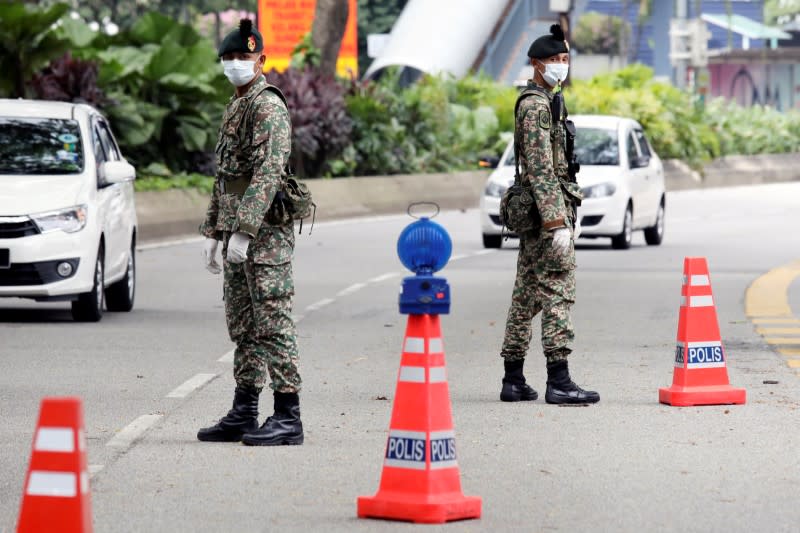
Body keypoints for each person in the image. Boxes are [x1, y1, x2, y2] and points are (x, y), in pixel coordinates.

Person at [197, 19, 304, 445]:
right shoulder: (236, 105)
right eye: (230, 58)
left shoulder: (267, 105)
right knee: (242, 325)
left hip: (266, 236)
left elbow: (267, 173)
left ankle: (288, 416)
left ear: (262, 60)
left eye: (244, 57)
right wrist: (213, 230)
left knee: (273, 322)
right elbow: (225, 177)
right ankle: (245, 411)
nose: (236, 64)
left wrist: (243, 231)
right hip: (235, 231)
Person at [499, 24, 599, 405]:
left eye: (565, 59)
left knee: (526, 295)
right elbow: (540, 169)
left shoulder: (548, 100)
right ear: (536, 64)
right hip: (546, 216)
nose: (562, 65)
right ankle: (559, 380)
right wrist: (557, 223)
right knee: (558, 291)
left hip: (543, 211)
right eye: (555, 60)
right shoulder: (536, 106)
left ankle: (513, 379)